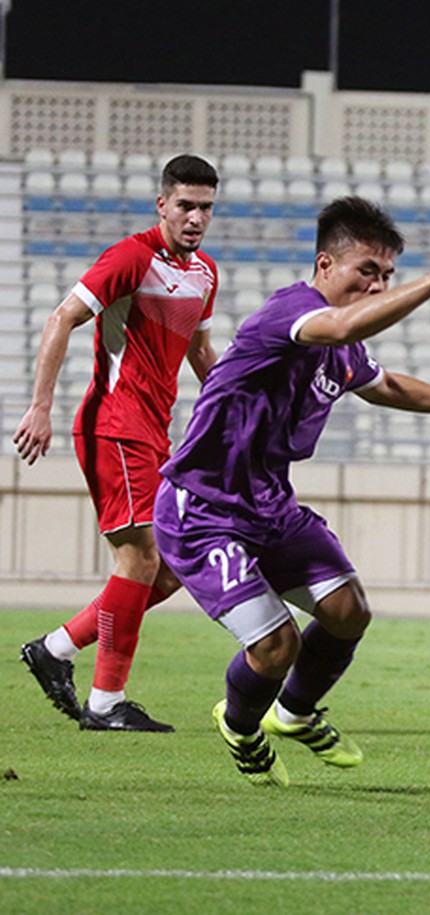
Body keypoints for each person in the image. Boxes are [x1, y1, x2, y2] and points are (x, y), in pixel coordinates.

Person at [152, 197, 430, 786]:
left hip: (269, 504)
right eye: (368, 271)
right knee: (277, 645)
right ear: (325, 264)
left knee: (348, 611)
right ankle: (240, 725)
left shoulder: (343, 344)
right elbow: (341, 325)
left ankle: (295, 713)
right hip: (203, 509)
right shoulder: (291, 312)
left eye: (386, 275)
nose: (377, 285)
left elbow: (385, 385)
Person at [15, 154, 221, 732]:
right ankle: (106, 702)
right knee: (142, 557)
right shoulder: (131, 258)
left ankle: (57, 648)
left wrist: (239, 412)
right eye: (185, 205)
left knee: (170, 568)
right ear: (162, 205)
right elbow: (62, 318)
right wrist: (40, 407)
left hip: (156, 432)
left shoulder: (204, 273)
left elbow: (202, 354)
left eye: (205, 207)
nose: (195, 217)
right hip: (114, 423)